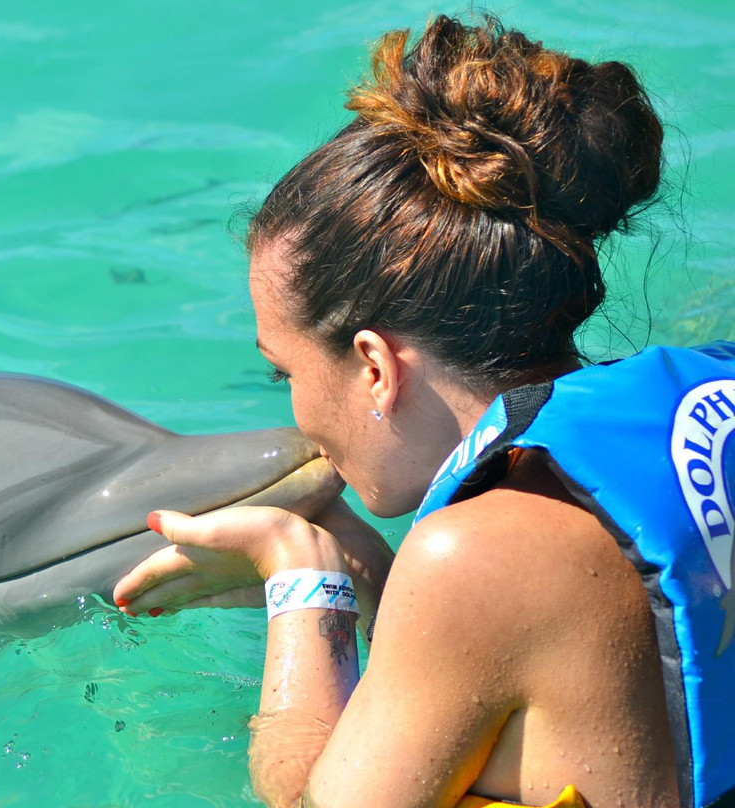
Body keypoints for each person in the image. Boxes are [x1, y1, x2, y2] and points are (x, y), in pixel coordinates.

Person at [113, 14, 735, 808]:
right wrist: (377, 573)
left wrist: (303, 576)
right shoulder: (708, 397)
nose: (295, 415)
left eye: (284, 374)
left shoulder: (478, 558)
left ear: (374, 366)